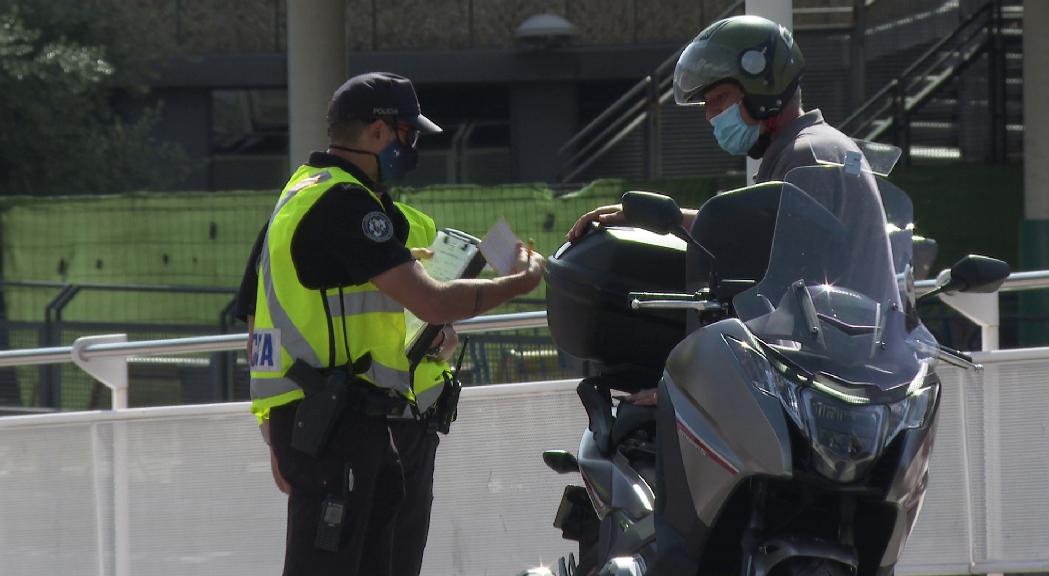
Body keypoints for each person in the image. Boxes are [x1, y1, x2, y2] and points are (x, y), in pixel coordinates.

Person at [245, 71, 544, 576]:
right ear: (378, 132)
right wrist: (520, 282)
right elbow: (430, 300)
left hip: (352, 420)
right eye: (408, 134)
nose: (411, 148)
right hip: (336, 421)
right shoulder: (343, 203)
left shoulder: (306, 191)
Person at [565, 14, 860, 407]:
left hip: (819, 389)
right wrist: (655, 219)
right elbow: (747, 234)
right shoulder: (807, 149)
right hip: (818, 381)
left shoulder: (809, 157)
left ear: (763, 87)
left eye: (718, 98)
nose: (710, 115)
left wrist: (696, 389)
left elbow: (799, 300)